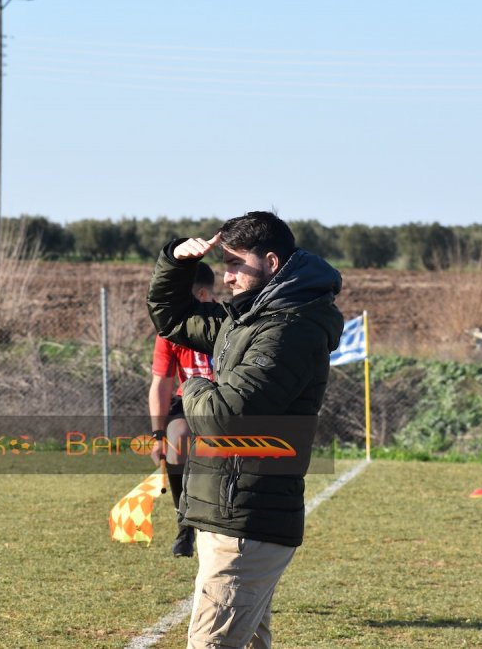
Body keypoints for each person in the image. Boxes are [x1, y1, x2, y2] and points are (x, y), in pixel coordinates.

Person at [146, 211, 344, 649]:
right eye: (224, 264)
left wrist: (193, 385)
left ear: (271, 263)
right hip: (233, 515)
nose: (227, 276)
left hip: (247, 524)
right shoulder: (248, 319)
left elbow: (225, 418)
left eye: (236, 264)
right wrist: (176, 261)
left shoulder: (289, 331)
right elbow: (171, 318)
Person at [148, 261, 217, 558]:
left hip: (226, 401)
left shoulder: (228, 323)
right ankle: (184, 521)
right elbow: (161, 384)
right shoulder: (170, 330)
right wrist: (157, 435)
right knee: (176, 443)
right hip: (188, 400)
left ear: (201, 296)